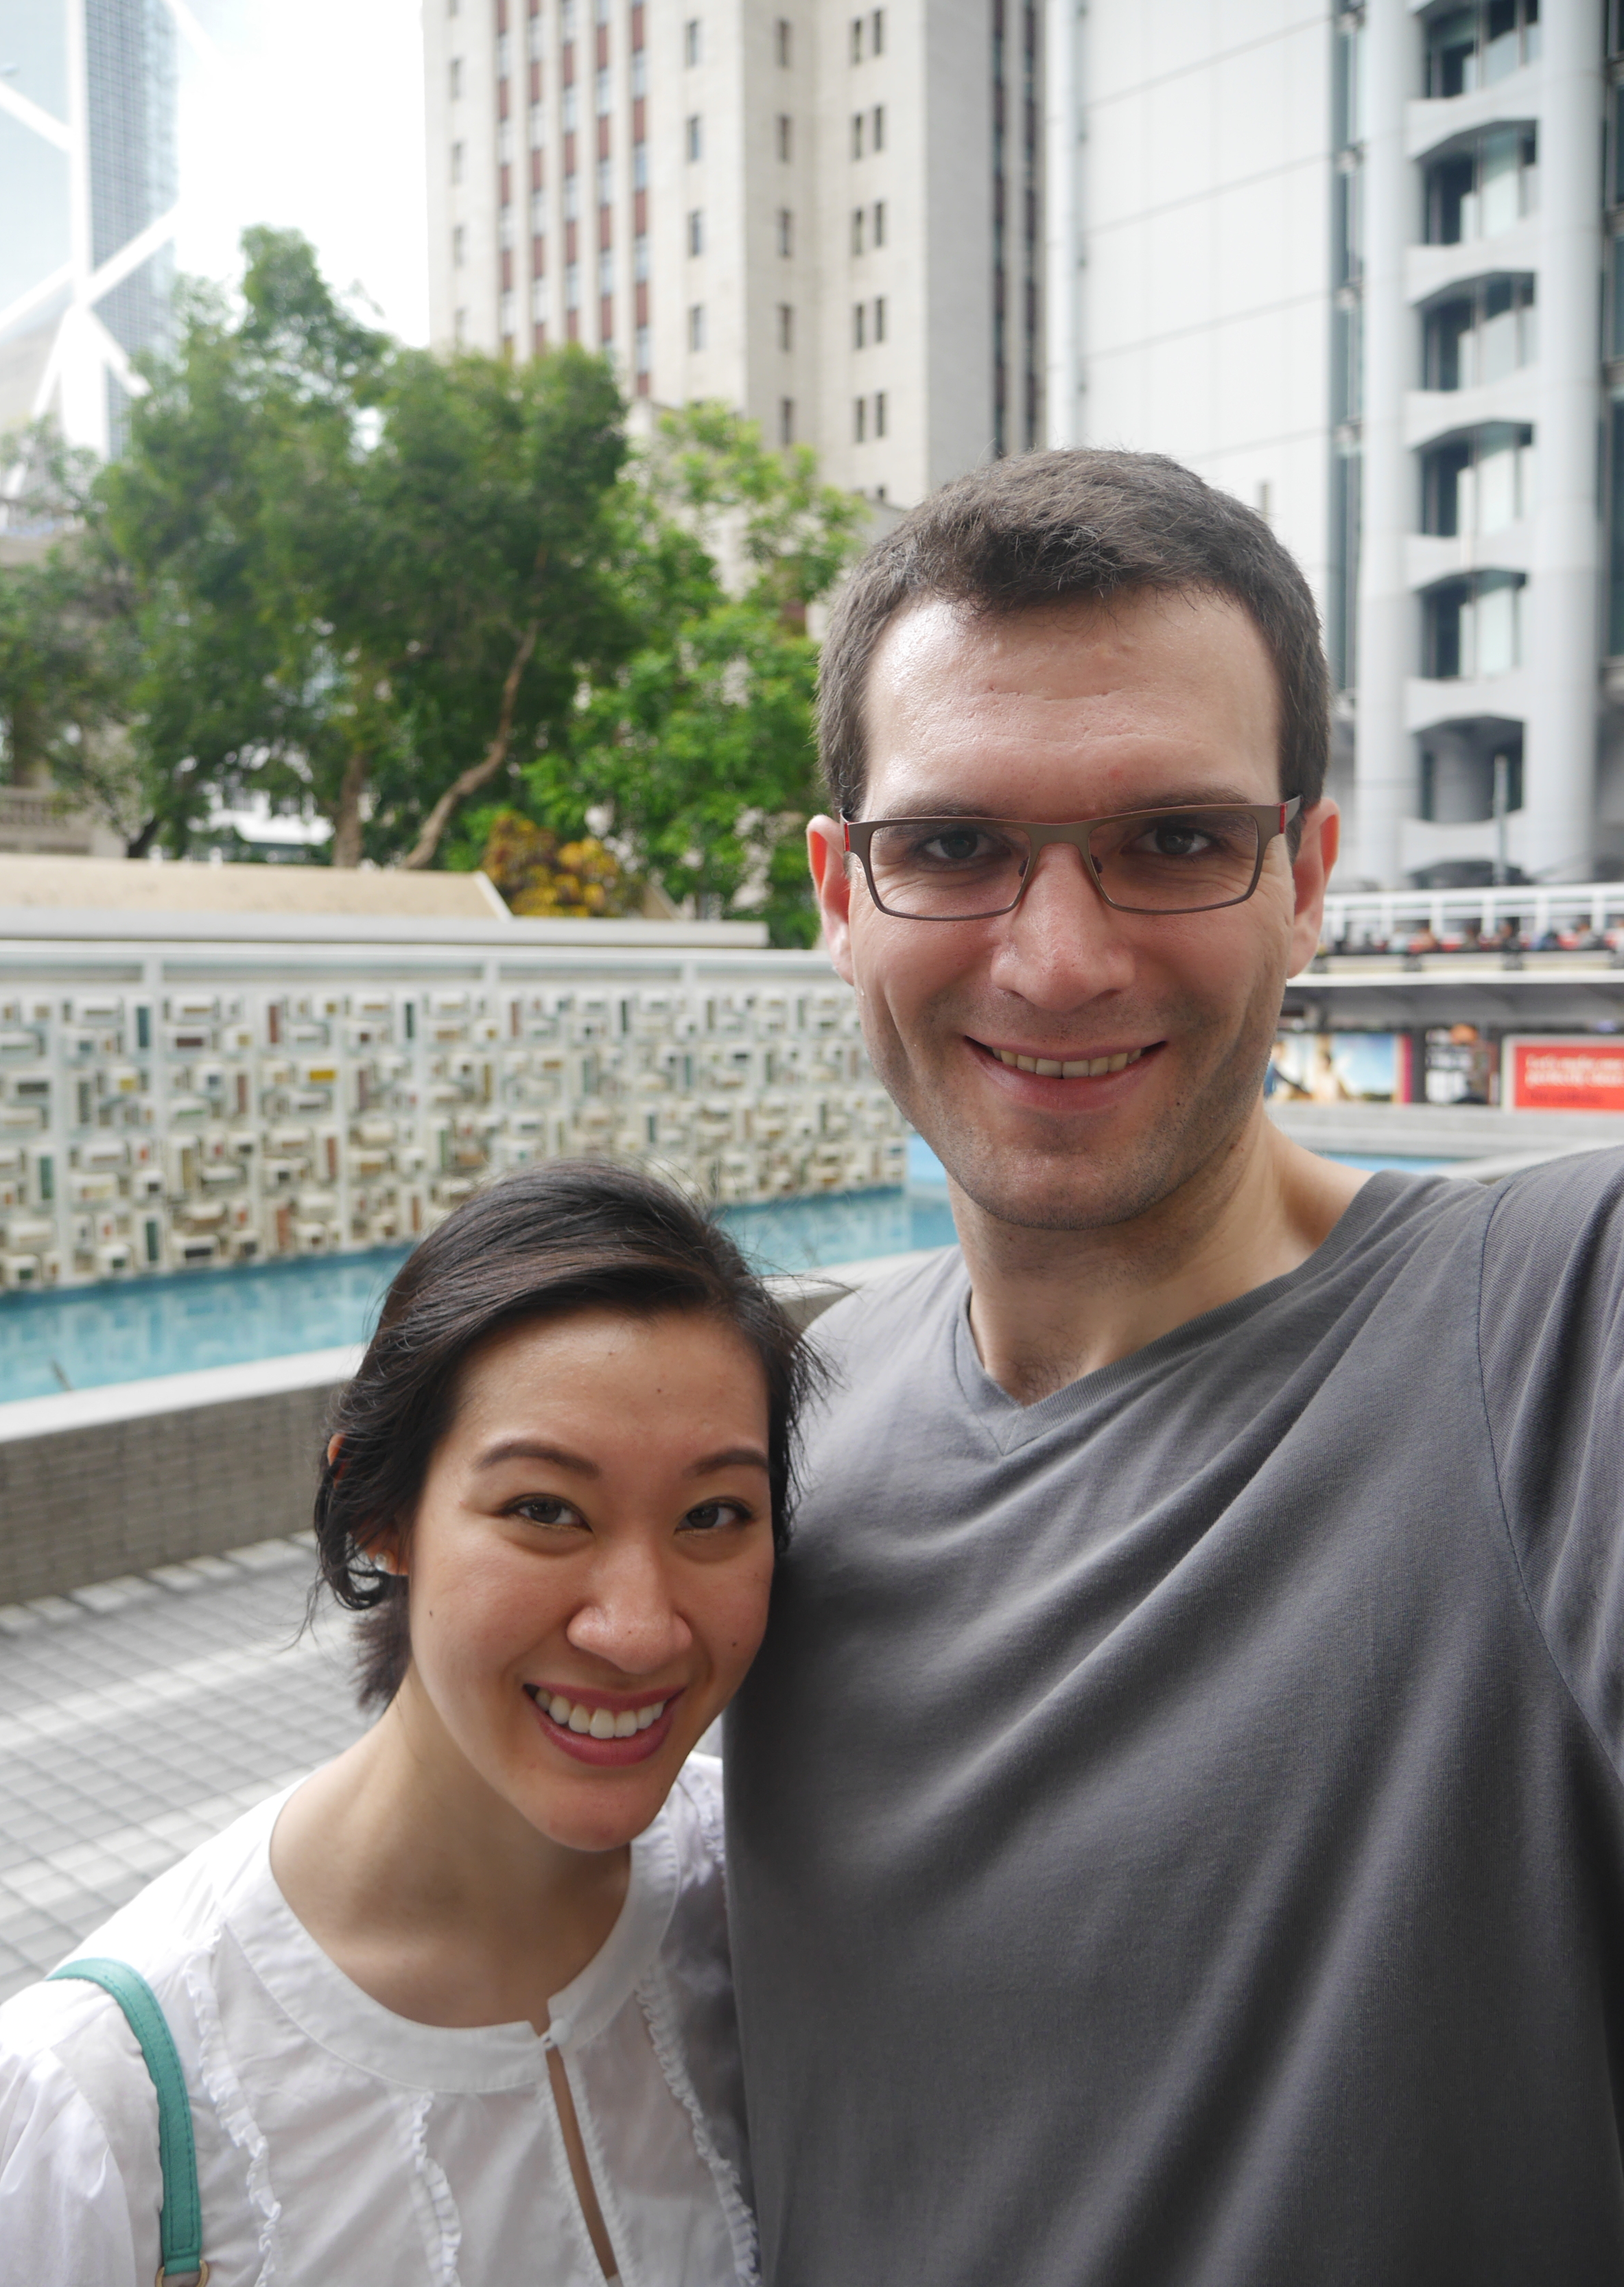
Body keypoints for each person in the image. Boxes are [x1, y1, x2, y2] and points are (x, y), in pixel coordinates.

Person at [724, 448, 1624, 2284]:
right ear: (839, 890)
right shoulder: (782, 1426)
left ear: (1304, 873)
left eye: (1174, 841)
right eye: (953, 845)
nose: (1058, 962)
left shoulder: (1552, 1333)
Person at [0, 1161, 814, 2286]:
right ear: (381, 1514)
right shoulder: (110, 2104)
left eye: (714, 1514)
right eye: (543, 1509)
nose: (637, 1628)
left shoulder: (767, 1891)